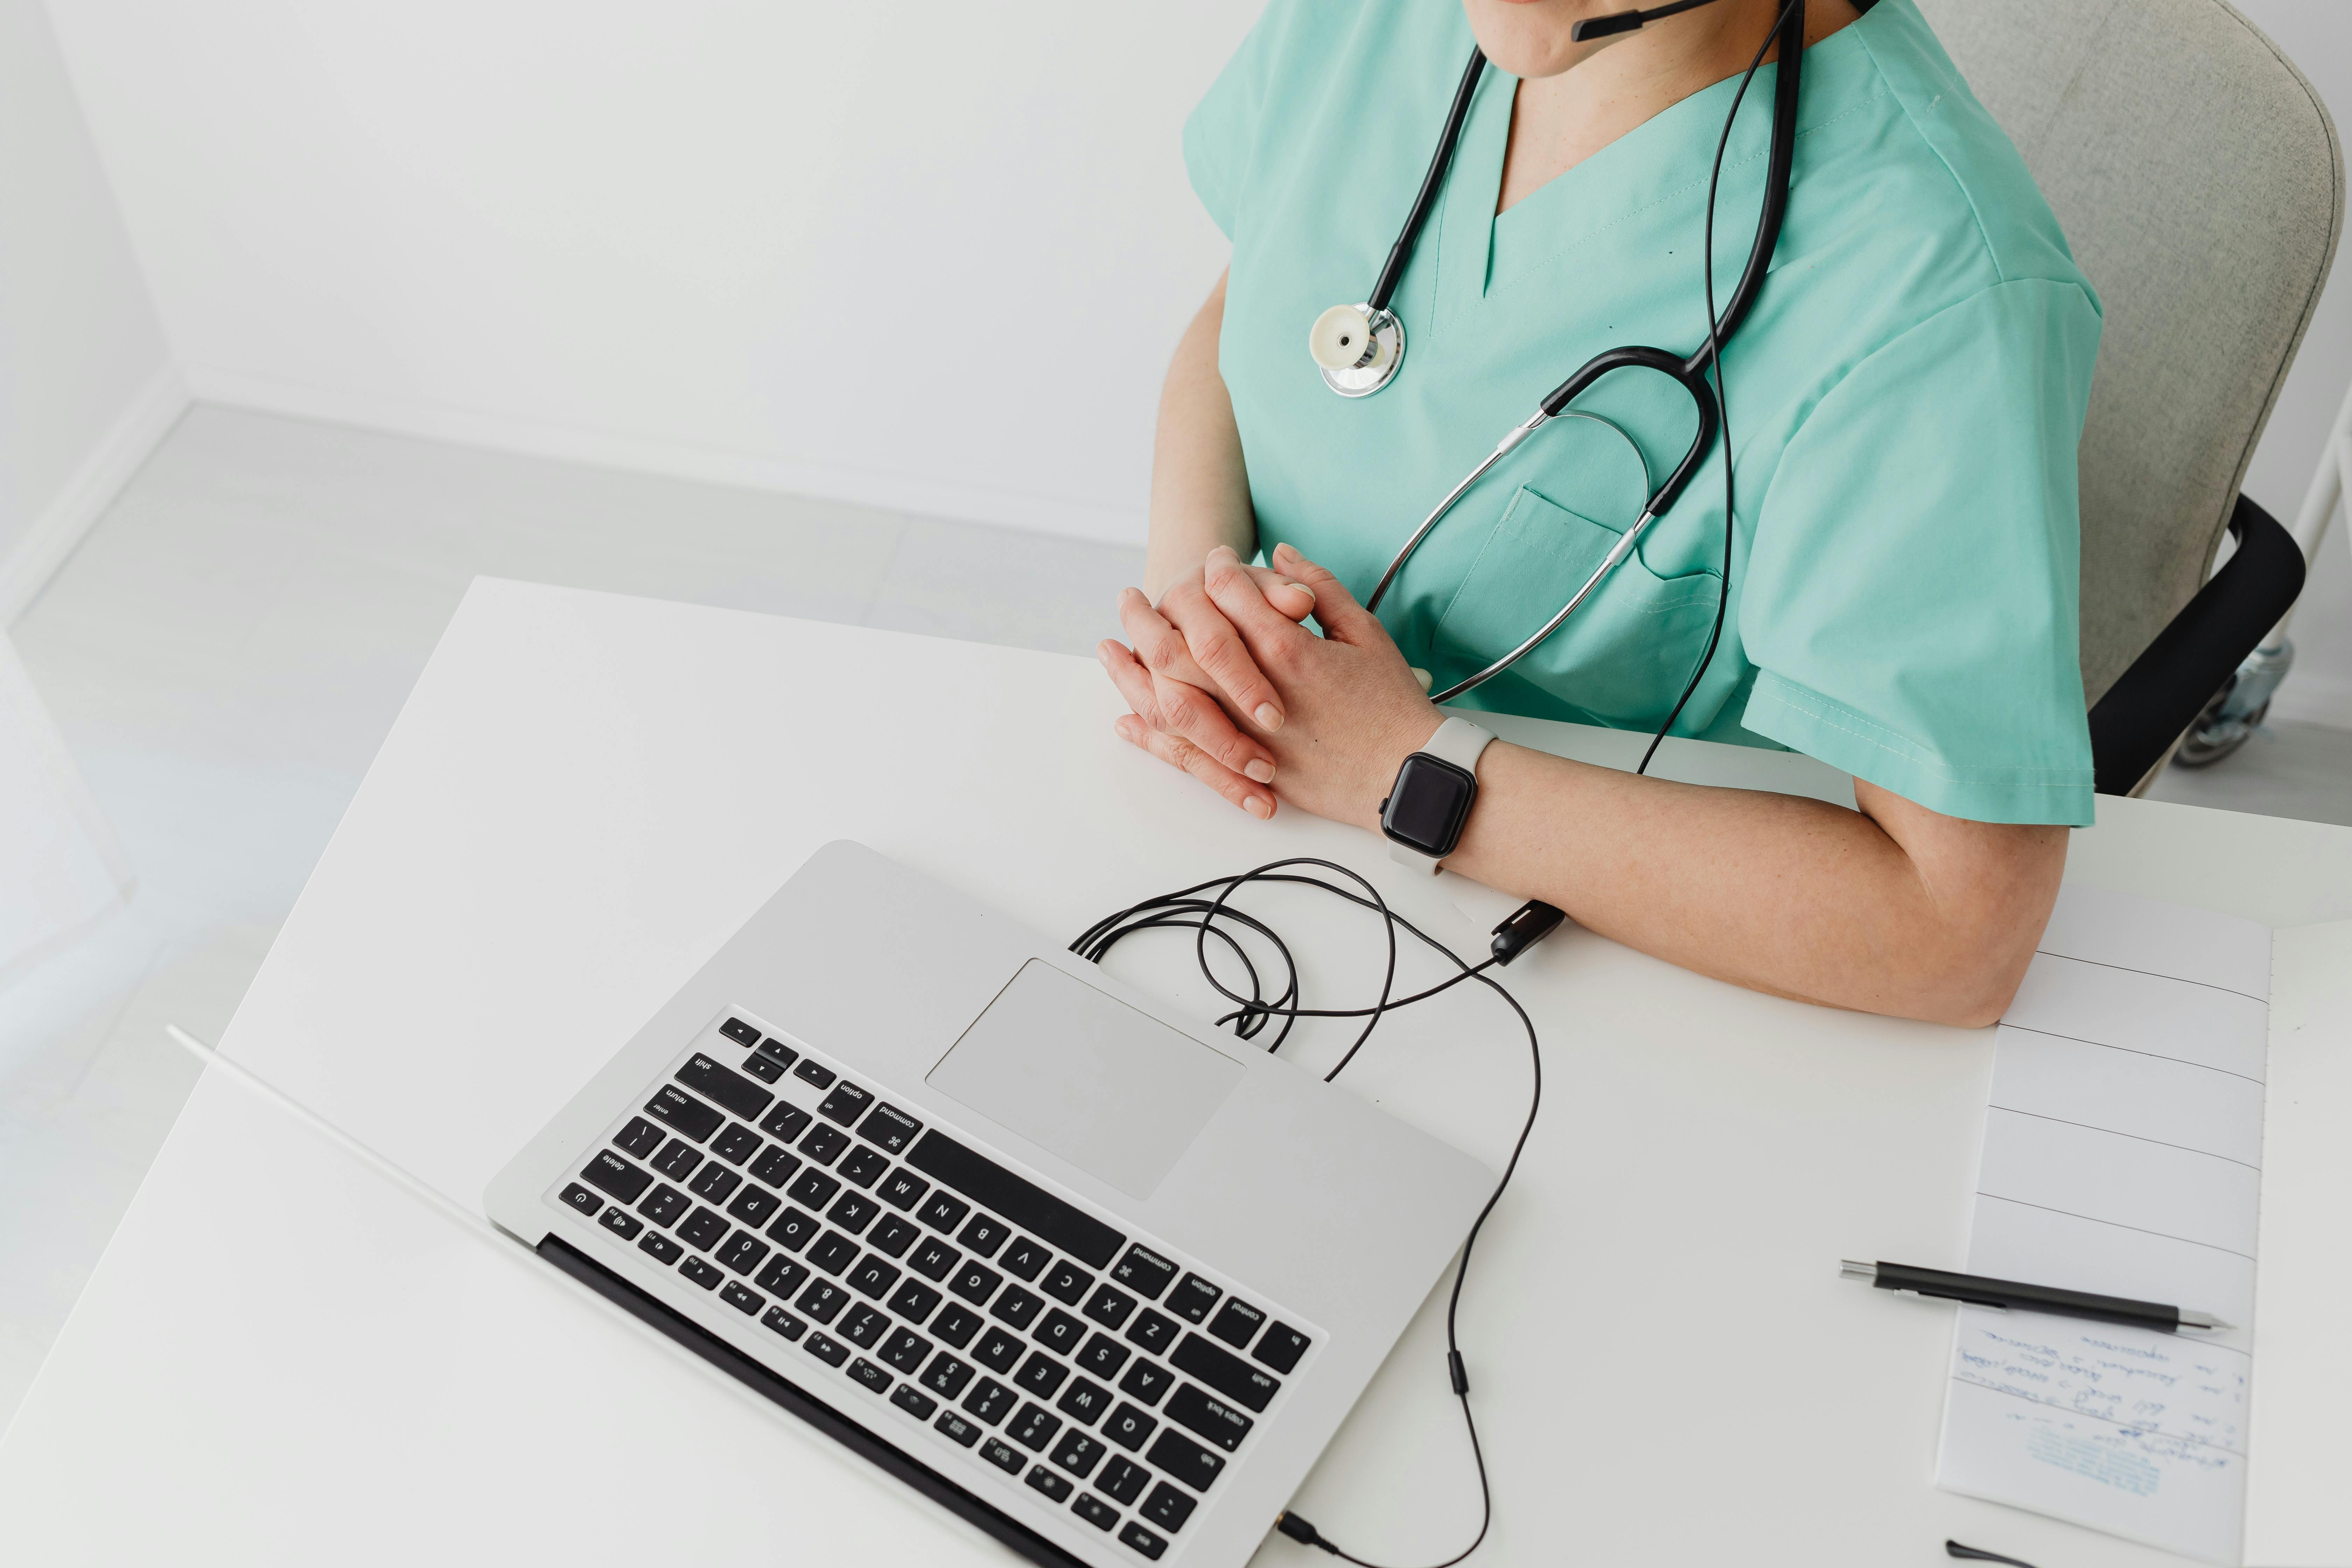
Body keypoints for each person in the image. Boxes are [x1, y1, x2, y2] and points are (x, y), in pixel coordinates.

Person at [1097, 0, 2103, 1027]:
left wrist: (1413, 775)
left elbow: (1958, 932)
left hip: (1605, 974)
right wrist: (1201, 596)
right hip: (1247, 851)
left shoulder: (1939, 295)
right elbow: (1245, 307)